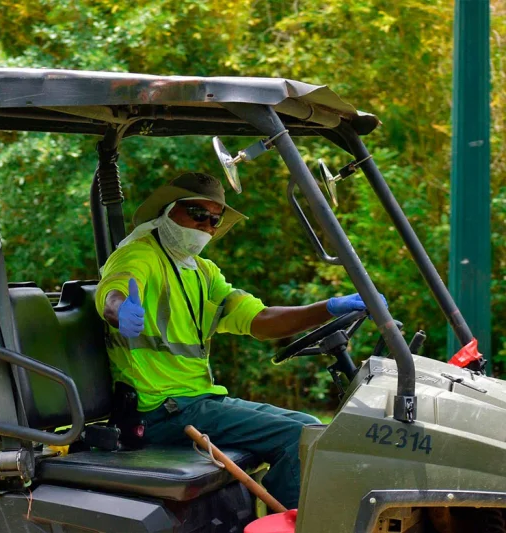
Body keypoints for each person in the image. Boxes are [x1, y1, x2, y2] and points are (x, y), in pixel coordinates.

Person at [95, 172, 384, 509]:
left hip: (195, 403)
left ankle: (274, 520)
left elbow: (260, 321)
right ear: (167, 210)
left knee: (309, 427)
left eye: (214, 219)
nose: (206, 225)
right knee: (295, 438)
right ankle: (289, 526)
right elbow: (113, 291)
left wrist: (329, 308)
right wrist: (119, 310)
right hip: (157, 410)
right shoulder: (140, 254)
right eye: (197, 213)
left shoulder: (203, 272)